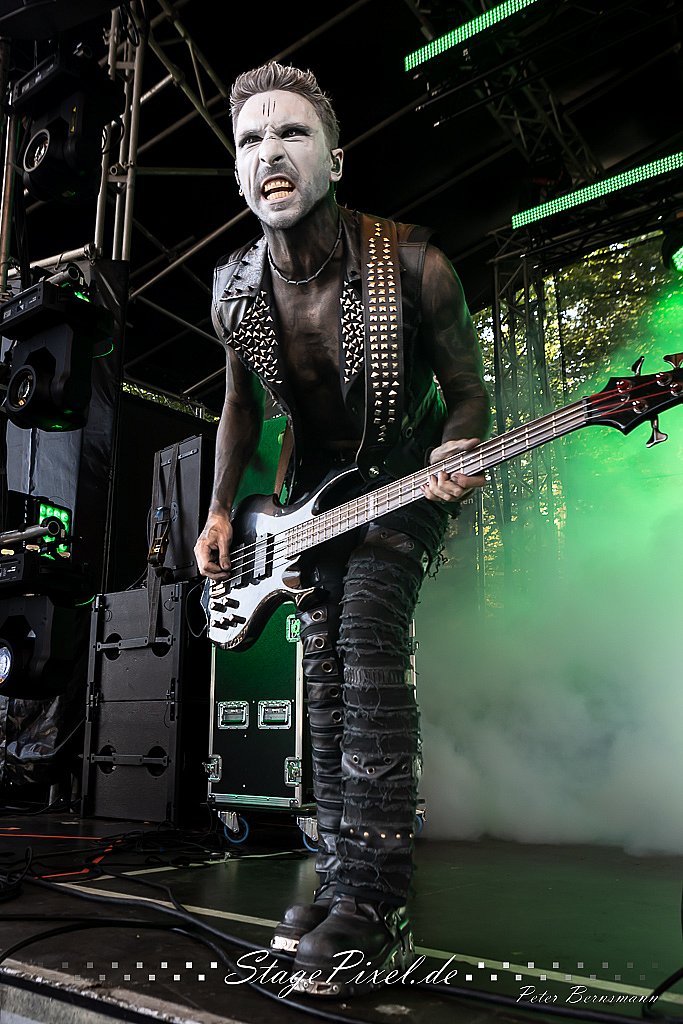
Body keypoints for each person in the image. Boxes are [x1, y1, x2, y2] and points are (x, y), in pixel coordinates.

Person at [194, 61, 490, 996]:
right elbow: (240, 407)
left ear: (334, 158)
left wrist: (454, 449)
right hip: (309, 498)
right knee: (320, 672)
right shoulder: (233, 288)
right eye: (249, 140)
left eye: (291, 133)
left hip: (405, 479)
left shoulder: (414, 265)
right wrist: (218, 509)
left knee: (365, 625)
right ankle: (340, 884)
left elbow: (468, 391)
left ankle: (378, 900)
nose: (269, 153)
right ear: (237, 172)